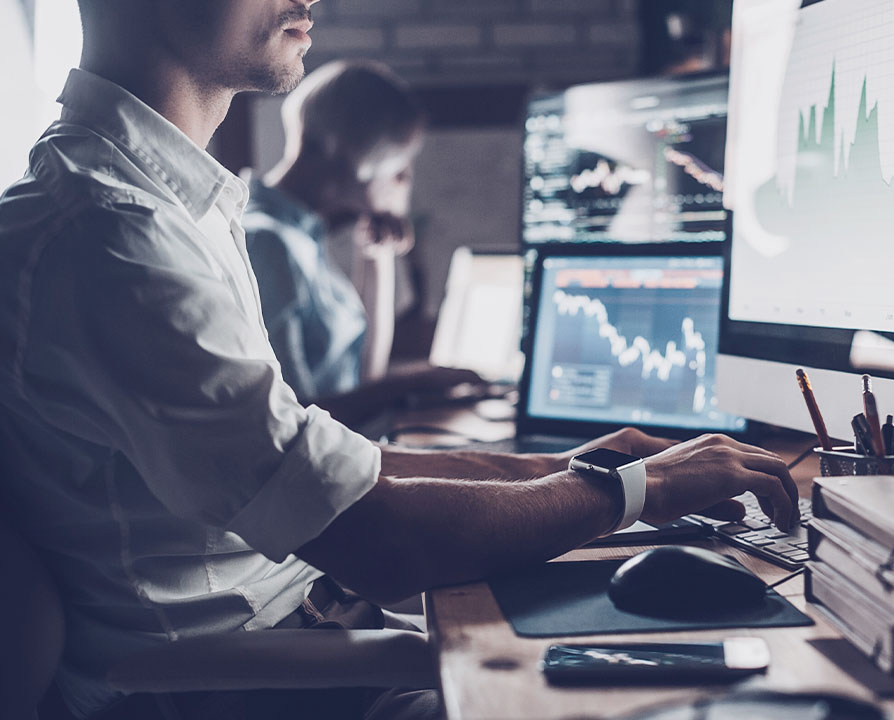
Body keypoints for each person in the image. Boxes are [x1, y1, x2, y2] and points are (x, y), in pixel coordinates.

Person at [0, 1, 798, 719]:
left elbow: (340, 465)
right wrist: (632, 491)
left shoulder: (161, 204)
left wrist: (576, 468)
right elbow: (373, 540)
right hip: (241, 686)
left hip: (308, 644)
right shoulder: (115, 233)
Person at [246, 59, 464, 426]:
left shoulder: (303, 235)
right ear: (358, 155)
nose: (404, 178)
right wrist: (416, 382)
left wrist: (376, 257)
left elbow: (364, 375)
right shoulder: (267, 242)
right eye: (400, 162)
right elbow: (295, 418)